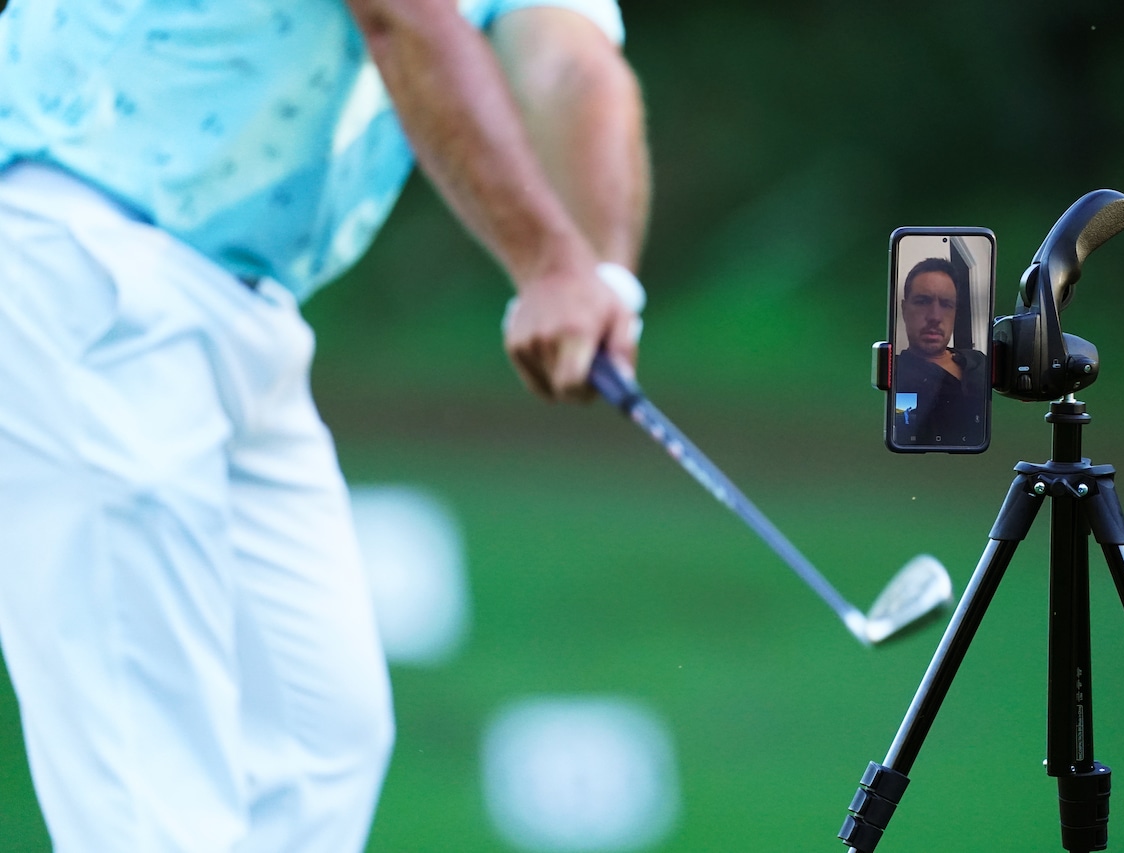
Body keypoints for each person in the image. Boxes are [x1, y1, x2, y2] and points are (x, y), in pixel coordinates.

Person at [0, 0, 650, 849]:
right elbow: (403, 19)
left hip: (242, 303)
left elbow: (569, 61)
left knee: (317, 745)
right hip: (73, 243)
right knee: (149, 784)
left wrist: (602, 281)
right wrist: (548, 263)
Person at [894, 257, 987, 446]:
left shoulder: (979, 361)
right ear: (904, 309)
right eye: (922, 301)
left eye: (946, 304)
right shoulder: (895, 373)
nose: (935, 317)